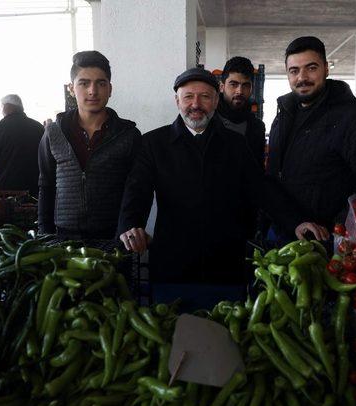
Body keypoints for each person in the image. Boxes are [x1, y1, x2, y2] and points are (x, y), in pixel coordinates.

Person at [117, 67, 327, 289]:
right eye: (188, 97)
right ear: (177, 101)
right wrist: (130, 224)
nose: (196, 104)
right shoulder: (154, 143)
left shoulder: (234, 143)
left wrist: (295, 221)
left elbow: (261, 188)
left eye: (205, 96)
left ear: (216, 101)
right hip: (173, 262)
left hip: (225, 262)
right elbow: (136, 190)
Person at [267, 36, 356, 239]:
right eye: (294, 70)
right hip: (284, 228)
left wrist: (340, 227)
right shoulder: (282, 118)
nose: (302, 77)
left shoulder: (353, 118)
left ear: (326, 68)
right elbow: (273, 176)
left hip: (324, 238)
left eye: (311, 67)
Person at [38, 51, 141, 239]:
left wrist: (128, 227)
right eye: (84, 83)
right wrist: (45, 235)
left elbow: (135, 190)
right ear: (71, 88)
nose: (93, 91)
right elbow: (46, 184)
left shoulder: (128, 135)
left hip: (114, 236)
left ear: (110, 88)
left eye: (101, 83)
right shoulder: (53, 133)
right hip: (64, 238)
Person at [0, 94, 44, 196]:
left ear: (7, 106)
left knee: (10, 211)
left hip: (9, 186)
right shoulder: (38, 127)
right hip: (36, 184)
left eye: (1, 107)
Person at [217, 56, 266, 167]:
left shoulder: (257, 127)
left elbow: (258, 170)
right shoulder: (207, 120)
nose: (239, 91)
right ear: (221, 87)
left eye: (245, 85)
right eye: (233, 84)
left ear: (251, 88)